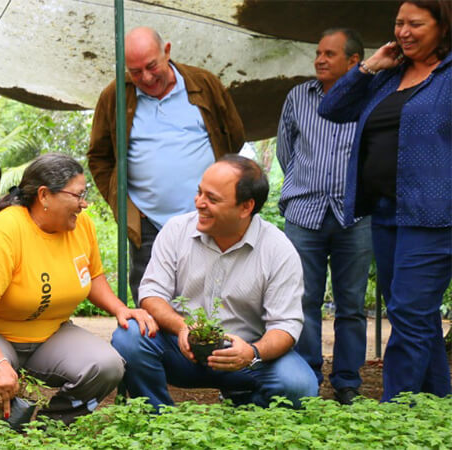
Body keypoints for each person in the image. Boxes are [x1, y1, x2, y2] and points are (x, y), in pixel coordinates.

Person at [0, 153, 157, 424]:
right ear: (44, 196)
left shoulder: (82, 226)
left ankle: (52, 424)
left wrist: (121, 309)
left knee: (106, 365)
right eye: (78, 195)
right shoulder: (3, 232)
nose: (84, 204)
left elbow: (92, 277)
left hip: (50, 332)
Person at [318, 0, 452, 402]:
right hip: (386, 212)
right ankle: (436, 413)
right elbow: (332, 107)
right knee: (418, 318)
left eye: (416, 24)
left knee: (409, 315)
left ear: (443, 27)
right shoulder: (389, 75)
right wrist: (370, 66)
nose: (404, 32)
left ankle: (394, 415)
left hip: (433, 215)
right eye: (399, 24)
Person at [112, 156, 317, 411]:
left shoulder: (278, 250)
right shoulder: (176, 230)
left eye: (212, 199)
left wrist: (252, 352)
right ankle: (159, 420)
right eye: (199, 193)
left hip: (244, 357)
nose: (199, 203)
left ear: (246, 207)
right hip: (181, 349)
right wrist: (183, 326)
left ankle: (242, 415)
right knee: (130, 337)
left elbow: (285, 326)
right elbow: (152, 294)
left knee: (299, 385)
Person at [88, 26, 245, 304]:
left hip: (206, 218)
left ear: (167, 52)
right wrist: (123, 205)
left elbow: (233, 136)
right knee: (150, 303)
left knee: (212, 302)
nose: (146, 78)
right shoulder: (115, 96)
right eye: (135, 72)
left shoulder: (203, 84)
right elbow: (99, 157)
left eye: (151, 66)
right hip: (149, 224)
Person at [276, 28, 372, 404]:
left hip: (356, 215)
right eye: (318, 52)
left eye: (329, 54)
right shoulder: (299, 97)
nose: (319, 59)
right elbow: (287, 152)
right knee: (303, 300)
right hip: (304, 213)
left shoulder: (371, 97)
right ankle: (309, 376)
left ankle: (347, 382)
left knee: (351, 304)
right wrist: (307, 184)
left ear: (354, 62)